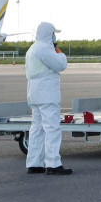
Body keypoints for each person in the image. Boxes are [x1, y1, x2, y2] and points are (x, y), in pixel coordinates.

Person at [25, 22, 71, 175]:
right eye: (53, 34)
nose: (54, 36)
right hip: (47, 94)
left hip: (34, 93)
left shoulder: (32, 49)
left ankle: (34, 163)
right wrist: (60, 53)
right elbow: (60, 65)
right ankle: (53, 164)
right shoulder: (45, 49)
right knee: (52, 128)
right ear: (49, 34)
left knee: (37, 129)